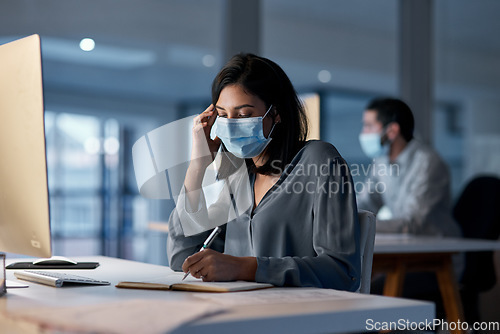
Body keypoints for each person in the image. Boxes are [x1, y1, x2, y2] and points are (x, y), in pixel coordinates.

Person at [167, 53, 360, 290]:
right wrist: (197, 166)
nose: (232, 123)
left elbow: (343, 273)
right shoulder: (238, 174)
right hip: (237, 314)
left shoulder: (319, 161)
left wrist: (245, 268)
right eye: (223, 115)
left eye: (244, 114)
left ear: (276, 113)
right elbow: (182, 258)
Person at [356, 97, 461, 237]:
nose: (364, 133)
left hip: (437, 247)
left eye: (369, 126)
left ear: (392, 131)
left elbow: (412, 223)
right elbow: (366, 202)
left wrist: (358, 223)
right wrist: (342, 217)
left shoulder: (428, 163)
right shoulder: (381, 162)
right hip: (406, 244)